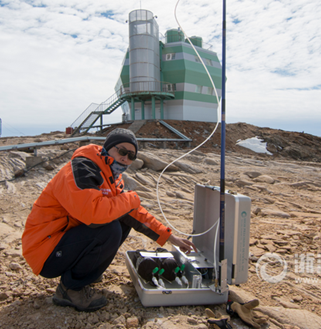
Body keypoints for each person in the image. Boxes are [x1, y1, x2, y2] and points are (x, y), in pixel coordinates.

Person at [22, 128, 196, 312]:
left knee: (122, 220)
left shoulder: (110, 175)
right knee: (110, 228)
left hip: (62, 241)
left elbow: (135, 214)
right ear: (108, 148)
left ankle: (85, 272)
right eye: (122, 151)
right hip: (44, 250)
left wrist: (171, 238)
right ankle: (70, 289)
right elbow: (93, 214)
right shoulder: (82, 168)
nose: (125, 159)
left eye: (131, 156)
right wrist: (131, 199)